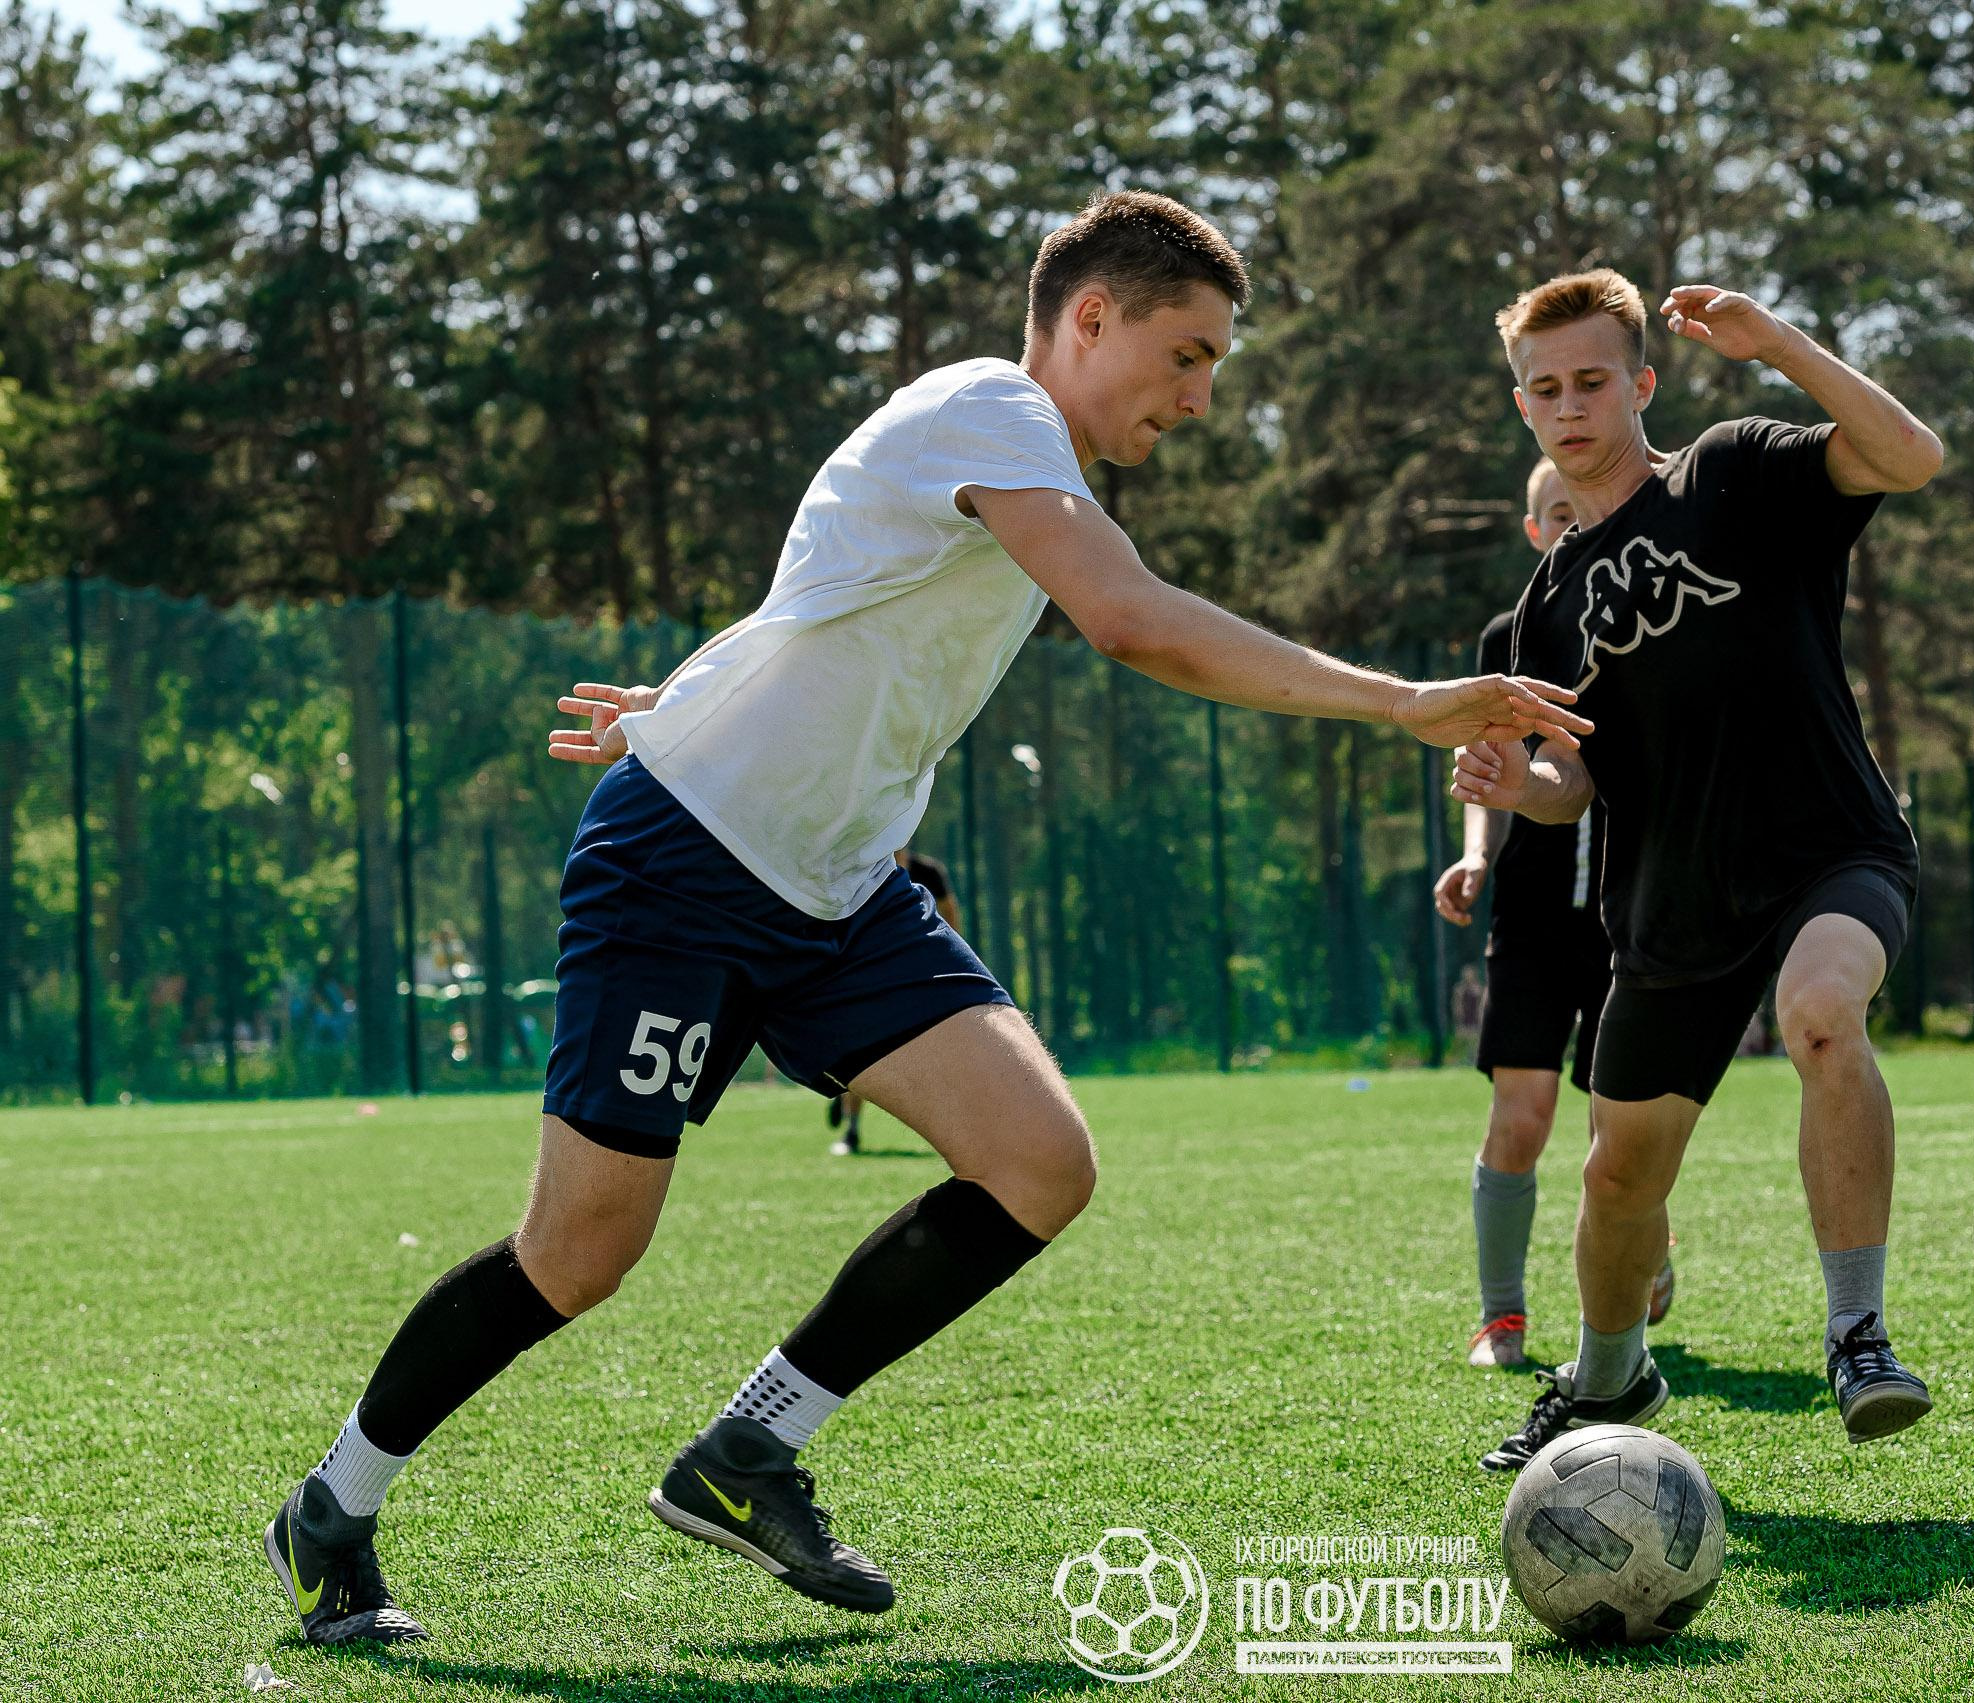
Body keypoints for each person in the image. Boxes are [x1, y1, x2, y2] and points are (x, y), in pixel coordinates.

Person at [260, 190, 1592, 1647]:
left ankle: (748, 1449)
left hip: (841, 886)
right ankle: (331, 1506)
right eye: (1188, 354)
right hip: (686, 867)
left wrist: (676, 700)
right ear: (1090, 318)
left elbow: (822, 599)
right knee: (581, 1253)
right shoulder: (989, 410)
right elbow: (1133, 621)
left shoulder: (1015, 459)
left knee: (1039, 1162)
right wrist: (1402, 701)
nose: (1201, 398)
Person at [1451, 268, 1943, 1469]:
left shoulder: (1731, 471)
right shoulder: (1540, 612)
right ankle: (1610, 1375)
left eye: (1591, 380)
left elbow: (1910, 454)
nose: (1569, 405)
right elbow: (1578, 783)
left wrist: (1777, 341)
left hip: (1830, 848)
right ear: (1522, 406)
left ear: (1641, 383)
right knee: (1619, 1176)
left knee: (1822, 1013)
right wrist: (1527, 791)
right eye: (1543, 388)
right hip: (1669, 906)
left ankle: (1857, 1331)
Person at [1433, 457, 1673, 1370]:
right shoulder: (1511, 633)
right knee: (1522, 1115)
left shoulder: (1655, 621)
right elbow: (1487, 758)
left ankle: (1646, 1246)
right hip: (1532, 918)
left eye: (1585, 509)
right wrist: (1478, 853)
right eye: (1554, 514)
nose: (1572, 524)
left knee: (1626, 1126)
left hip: (1633, 915)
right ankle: (1503, 1317)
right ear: (1533, 529)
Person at [828, 848, 961, 1151]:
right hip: (867, 972)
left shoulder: (929, 873)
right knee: (858, 1048)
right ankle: (852, 1129)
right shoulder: (860, 868)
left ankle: (948, 1131)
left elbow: (950, 918)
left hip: (914, 976)